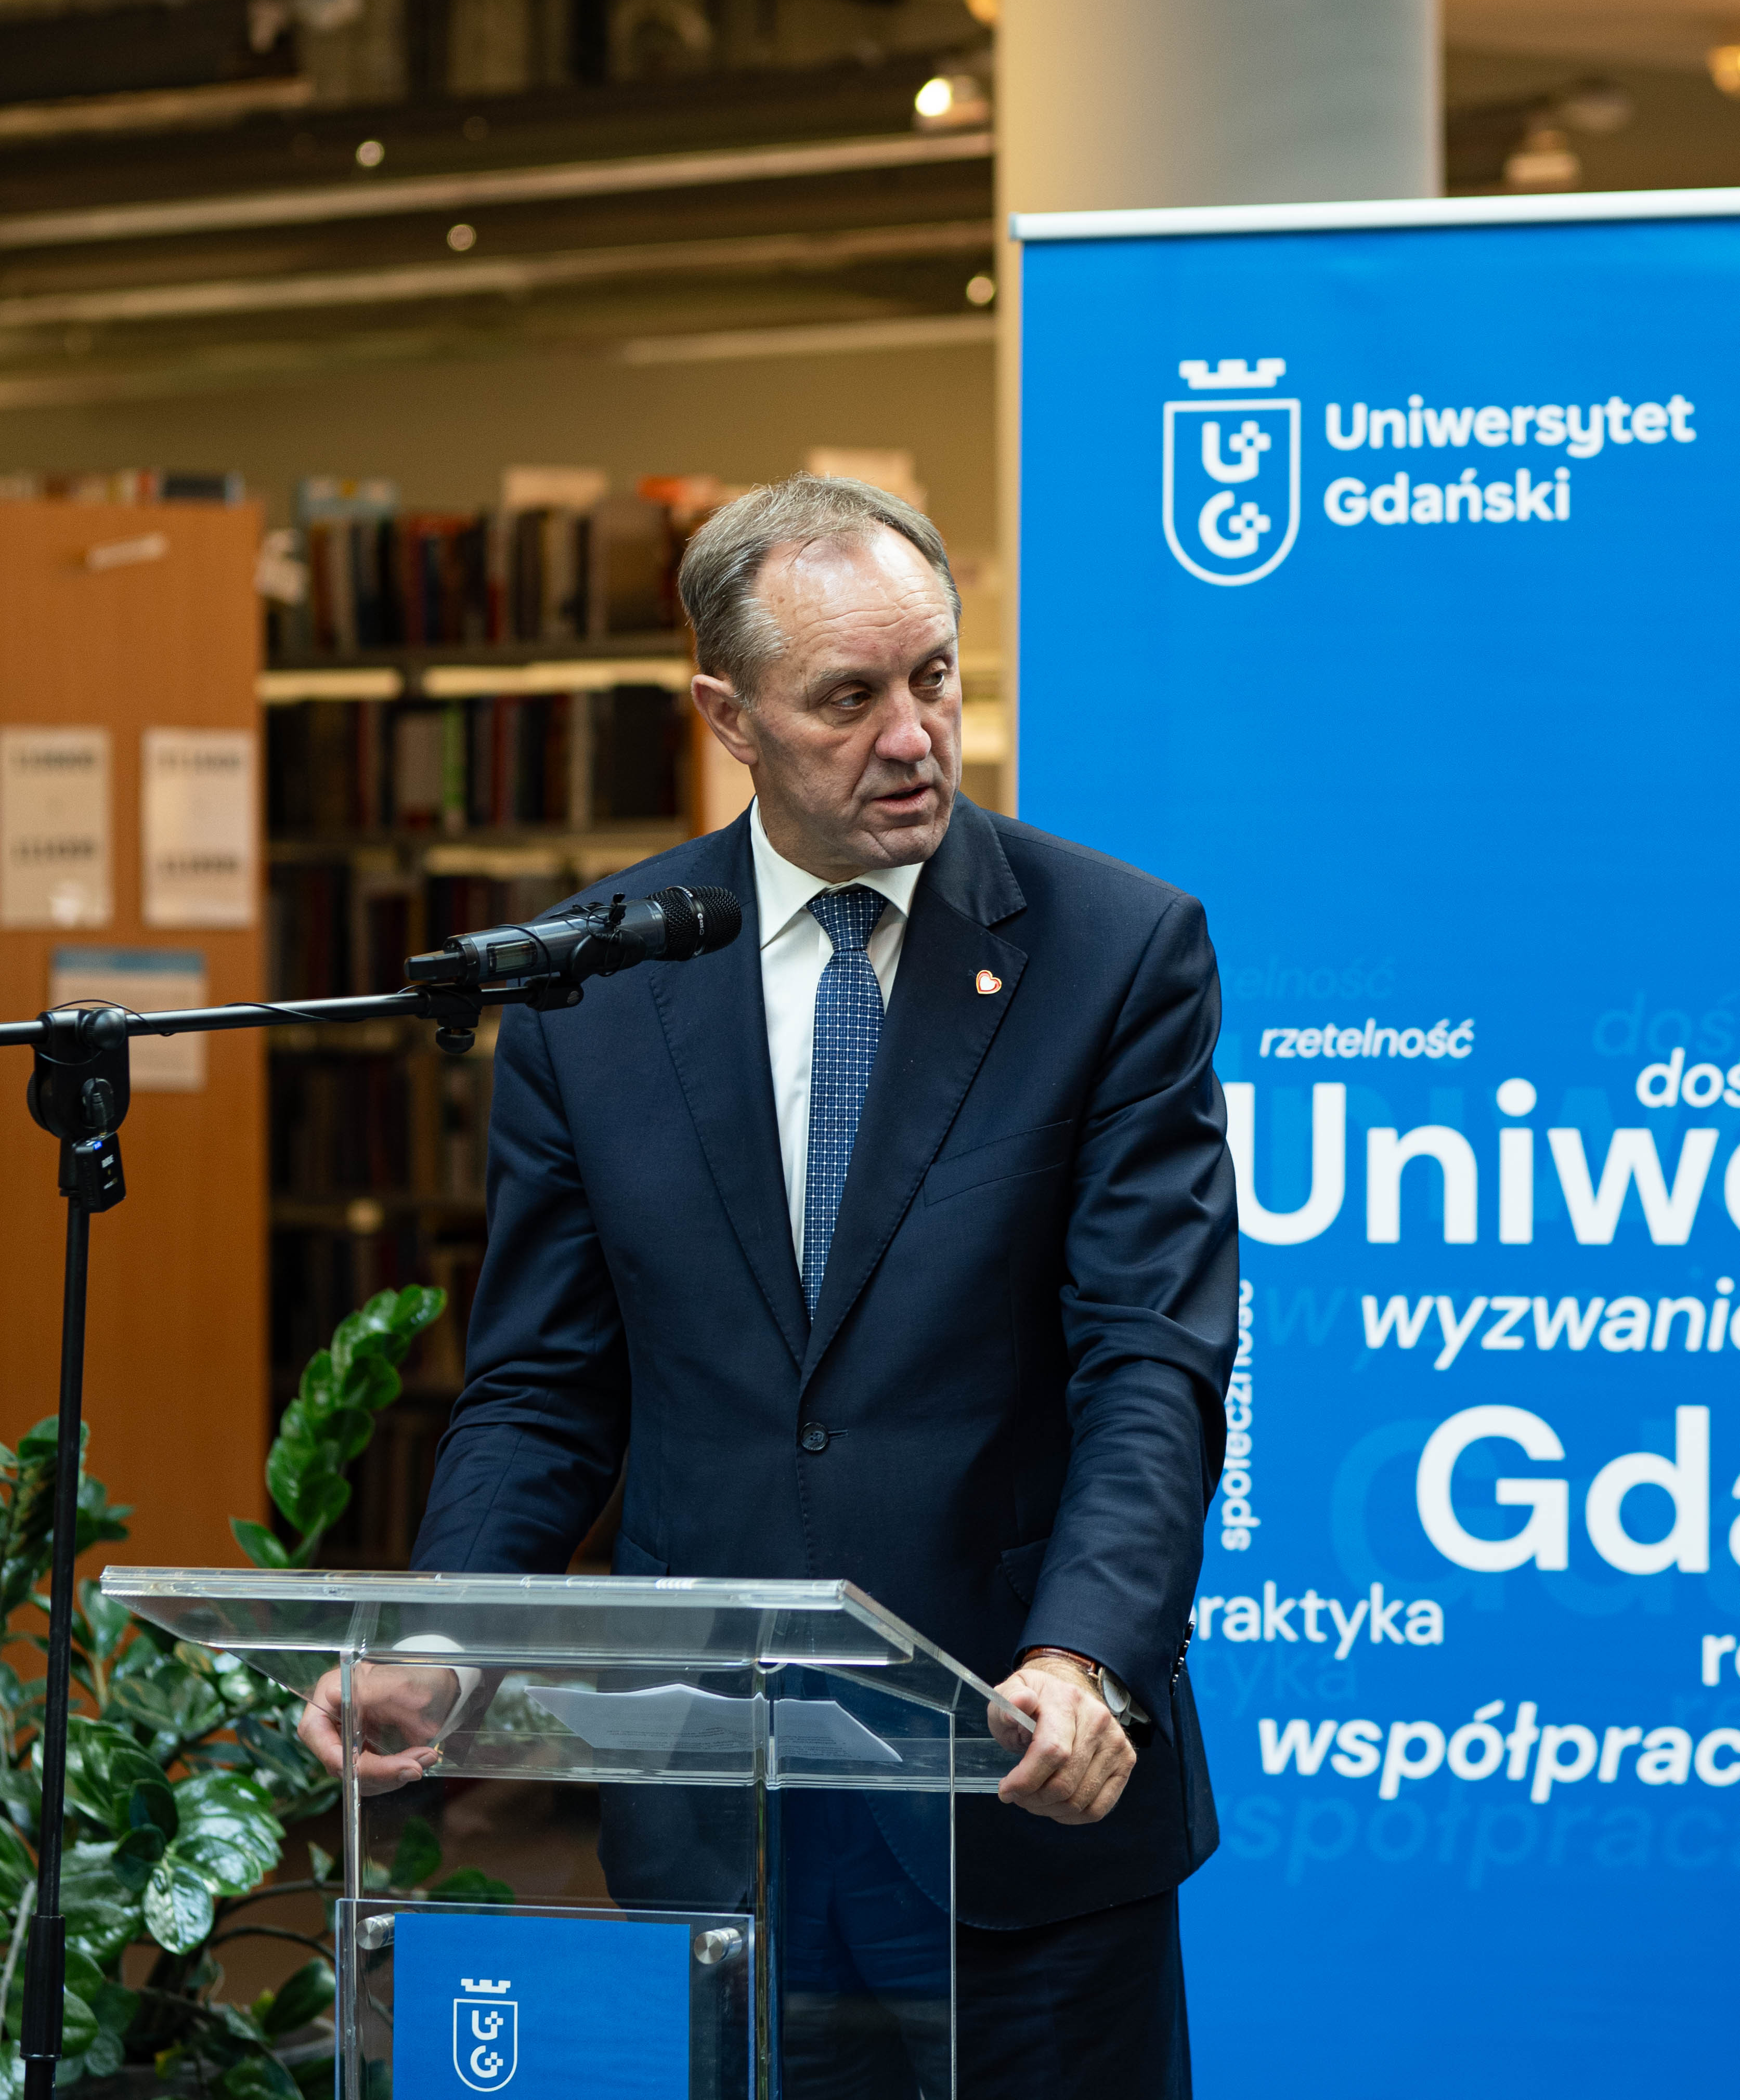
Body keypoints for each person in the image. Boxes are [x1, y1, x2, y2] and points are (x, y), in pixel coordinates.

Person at [300, 473, 1239, 2096]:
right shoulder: (595, 979)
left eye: (933, 677)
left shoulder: (1115, 953)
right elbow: (543, 1389)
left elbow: (1147, 1359)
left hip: (1018, 1787)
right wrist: (446, 1639)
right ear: (726, 715)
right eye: (848, 698)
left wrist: (1084, 1658)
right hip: (710, 1806)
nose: (913, 738)